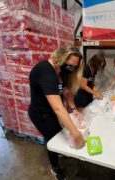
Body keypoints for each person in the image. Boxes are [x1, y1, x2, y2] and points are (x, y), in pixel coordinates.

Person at [28, 45, 85, 180]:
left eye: (75, 67)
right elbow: (58, 109)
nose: (71, 69)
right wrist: (76, 134)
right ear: (60, 58)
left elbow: (66, 92)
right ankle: (55, 167)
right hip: (40, 114)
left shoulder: (62, 71)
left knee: (60, 135)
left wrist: (73, 109)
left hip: (51, 112)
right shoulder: (45, 72)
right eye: (70, 65)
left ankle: (59, 153)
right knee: (53, 140)